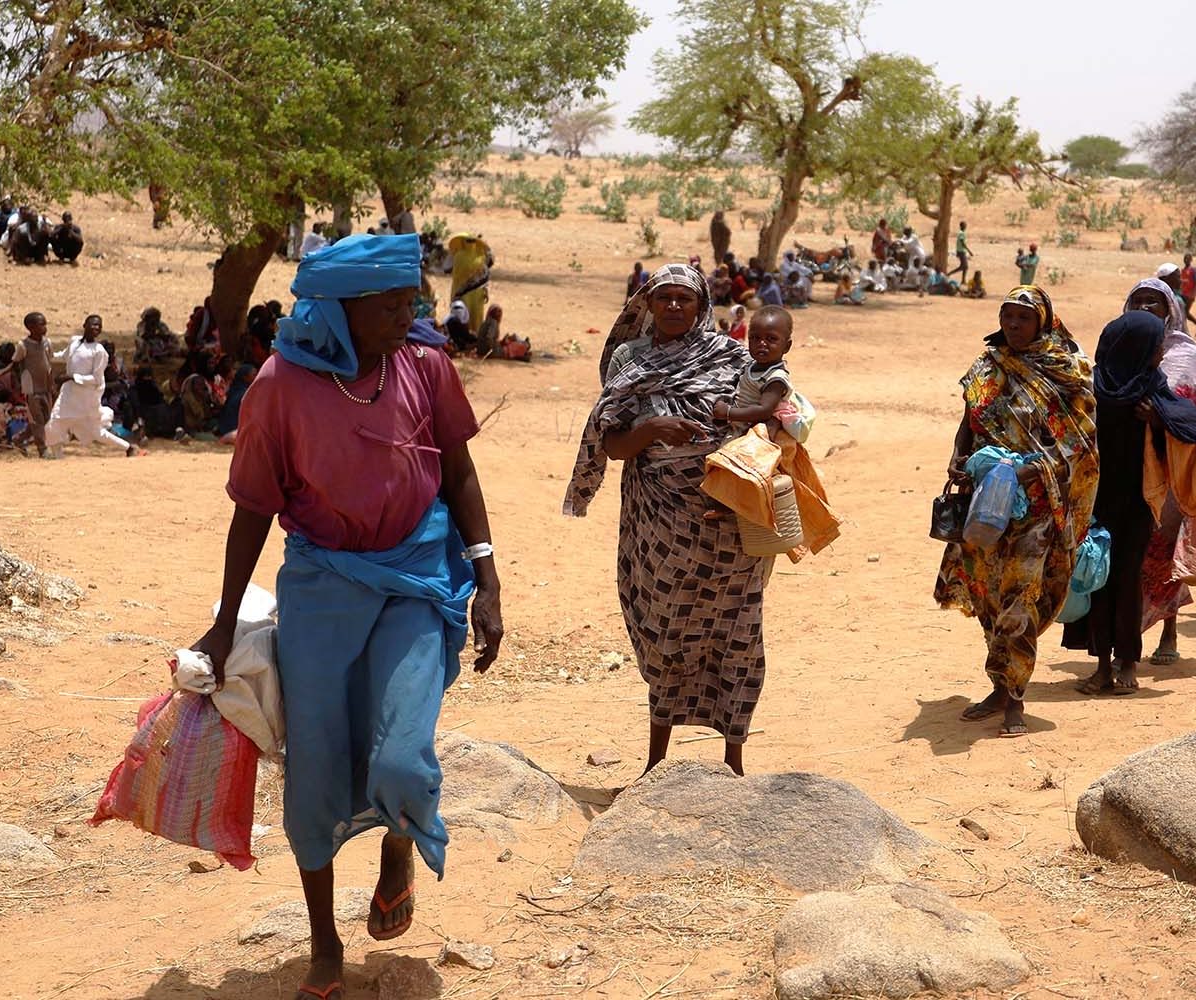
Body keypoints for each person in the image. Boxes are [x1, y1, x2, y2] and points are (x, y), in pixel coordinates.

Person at [186, 233, 502, 1000]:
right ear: (340, 308)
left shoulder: (425, 365)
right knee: (317, 771)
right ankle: (325, 947)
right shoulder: (279, 387)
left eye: (411, 300)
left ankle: (399, 845)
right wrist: (224, 622)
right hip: (323, 587)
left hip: (418, 577)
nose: (410, 315)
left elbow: (456, 469)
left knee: (402, 755)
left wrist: (487, 574)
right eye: (392, 304)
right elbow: (254, 511)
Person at [567, 263, 769, 776]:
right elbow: (611, 444)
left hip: (725, 517)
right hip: (659, 519)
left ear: (702, 306)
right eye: (665, 298)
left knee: (736, 633)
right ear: (647, 304)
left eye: (685, 298)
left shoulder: (731, 357)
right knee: (665, 631)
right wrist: (651, 429)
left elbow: (770, 421)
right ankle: (656, 762)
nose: (675, 306)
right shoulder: (629, 359)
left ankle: (733, 762)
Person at [936, 286, 1100, 737]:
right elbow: (969, 421)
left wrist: (1027, 471)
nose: (1012, 325)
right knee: (987, 594)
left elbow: (1079, 443)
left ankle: (1017, 697)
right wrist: (959, 458)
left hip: (1036, 508)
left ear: (1043, 322)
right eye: (1006, 316)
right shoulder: (987, 366)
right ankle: (997, 685)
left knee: (1018, 598)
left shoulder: (1066, 372)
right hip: (983, 504)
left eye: (1022, 318)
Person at [1062, 306, 1196, 694]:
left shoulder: (1152, 386)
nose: (1161, 354)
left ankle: (1127, 660)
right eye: (1155, 346)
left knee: (1128, 579)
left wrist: (1159, 418)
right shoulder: (1091, 387)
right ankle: (1100, 666)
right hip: (1094, 500)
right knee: (1096, 580)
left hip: (1137, 502)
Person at [1121, 278, 1196, 666]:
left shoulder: (1187, 356)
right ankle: (1127, 638)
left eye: (1155, 302)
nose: (1146, 307)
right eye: (1139, 301)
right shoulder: (1120, 352)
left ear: (1171, 311)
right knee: (1131, 557)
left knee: (1168, 553)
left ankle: (1169, 629)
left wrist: (1161, 418)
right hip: (1130, 469)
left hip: (1175, 471)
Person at [48, 315, 138, 457]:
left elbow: (96, 379)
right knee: (54, 423)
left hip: (86, 397)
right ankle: (57, 457)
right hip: (69, 394)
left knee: (95, 432)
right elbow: (64, 355)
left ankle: (128, 447)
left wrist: (71, 377)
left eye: (98, 326)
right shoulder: (74, 342)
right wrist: (47, 354)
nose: (95, 328)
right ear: (84, 325)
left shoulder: (99, 351)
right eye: (93, 324)